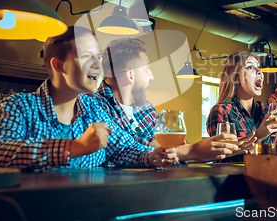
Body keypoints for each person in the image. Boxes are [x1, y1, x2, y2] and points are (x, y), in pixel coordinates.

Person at [0, 26, 176, 170]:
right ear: (58, 65)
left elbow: (123, 148)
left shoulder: (94, 109)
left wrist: (151, 156)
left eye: (98, 57)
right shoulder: (19, 106)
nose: (98, 65)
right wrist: (74, 148)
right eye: (86, 56)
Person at [96, 38, 247, 163]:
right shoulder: (96, 105)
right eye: (147, 69)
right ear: (130, 75)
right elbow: (132, 150)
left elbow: (177, 151)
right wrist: (192, 150)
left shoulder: (144, 107)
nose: (151, 76)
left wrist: (222, 151)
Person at [206, 52, 277, 162]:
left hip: (266, 176)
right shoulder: (221, 111)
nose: (259, 71)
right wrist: (258, 136)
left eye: (258, 66)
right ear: (236, 77)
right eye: (250, 67)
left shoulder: (266, 109)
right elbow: (222, 159)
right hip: (235, 178)